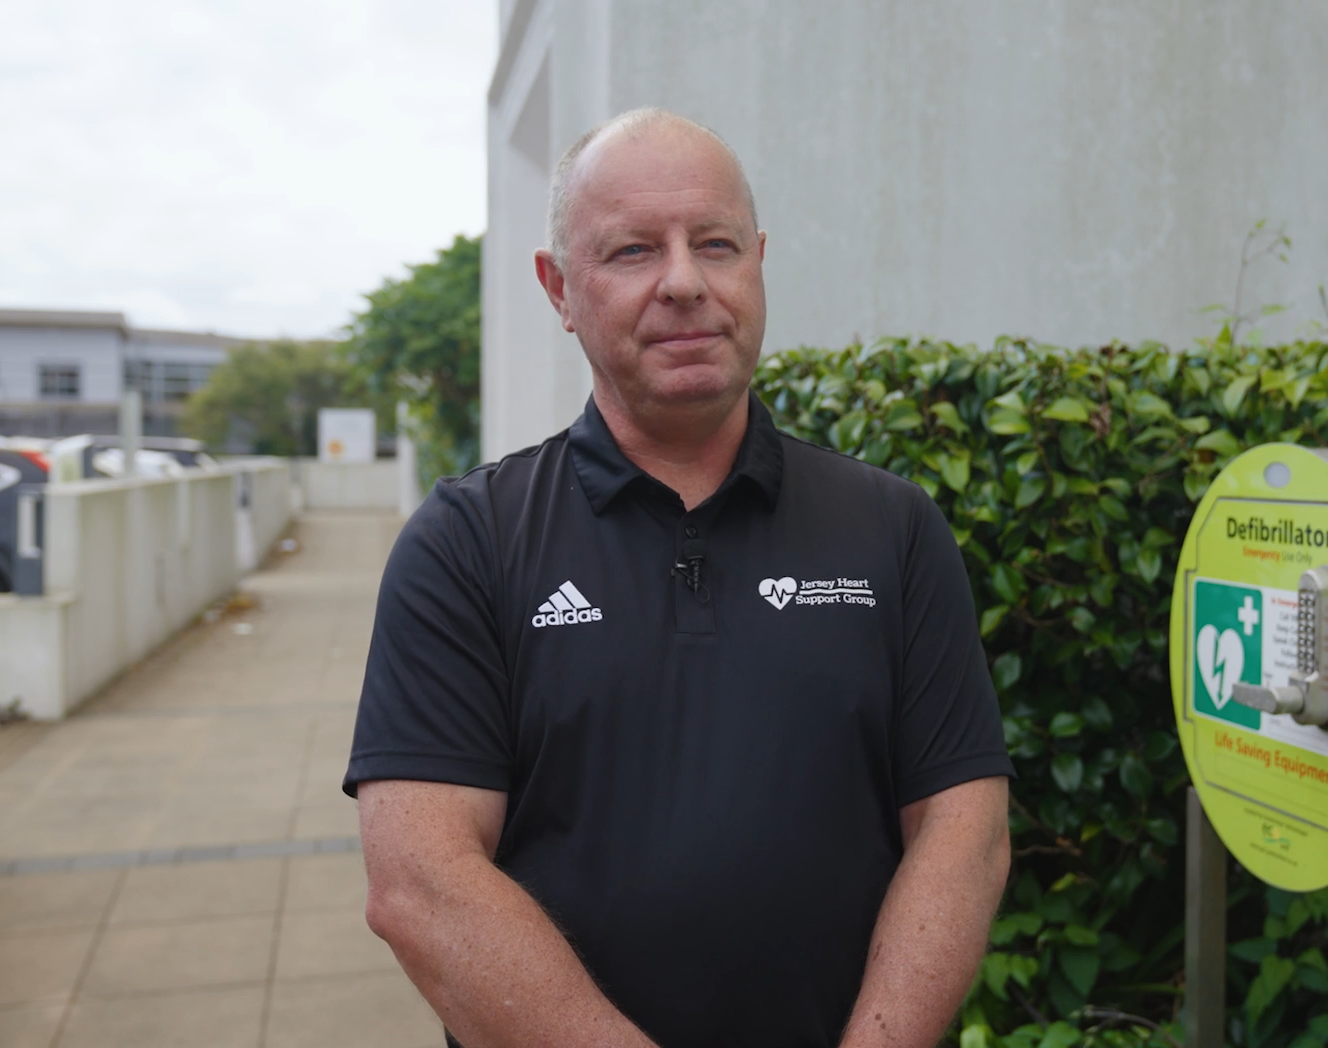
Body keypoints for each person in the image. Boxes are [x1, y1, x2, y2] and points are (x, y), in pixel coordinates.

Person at [344, 107, 1015, 1048]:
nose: (685, 283)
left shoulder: (891, 528)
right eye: (629, 252)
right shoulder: (466, 544)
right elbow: (420, 883)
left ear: (758, 261)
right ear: (558, 288)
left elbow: (963, 828)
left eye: (715, 244)